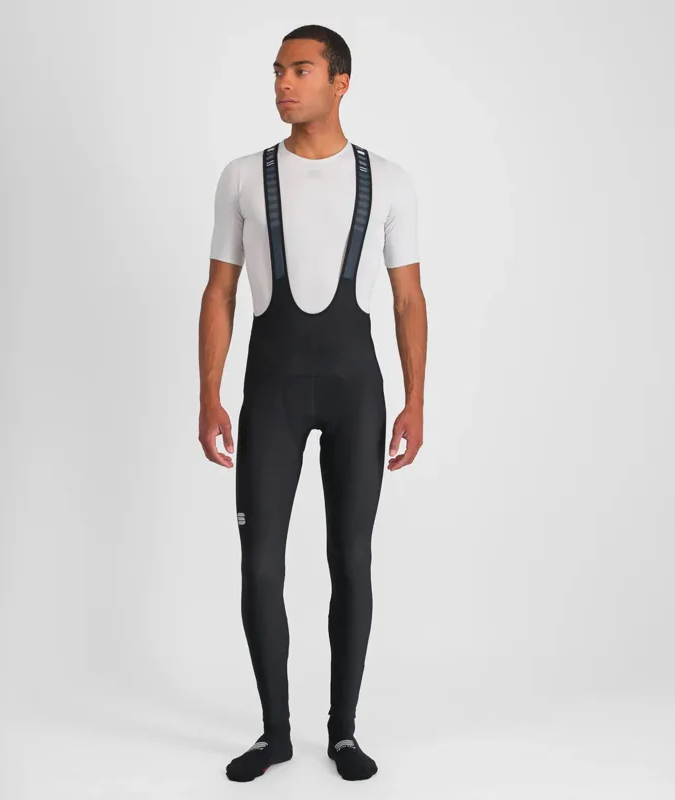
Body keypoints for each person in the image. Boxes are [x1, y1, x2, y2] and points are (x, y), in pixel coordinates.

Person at [198, 24, 427, 782]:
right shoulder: (243, 176)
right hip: (271, 392)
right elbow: (220, 291)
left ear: (340, 81)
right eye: (277, 71)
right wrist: (208, 393)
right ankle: (274, 733)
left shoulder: (388, 180)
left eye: (300, 70)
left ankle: (344, 734)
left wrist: (415, 401)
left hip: (358, 391)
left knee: (350, 561)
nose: (282, 84)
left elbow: (409, 299)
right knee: (260, 565)